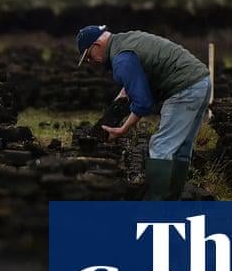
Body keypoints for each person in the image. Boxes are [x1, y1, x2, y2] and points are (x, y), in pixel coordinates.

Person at [75, 25, 212, 200]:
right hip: (201, 82)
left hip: (184, 89)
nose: (90, 61)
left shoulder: (121, 59)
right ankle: (173, 200)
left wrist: (123, 129)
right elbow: (129, 89)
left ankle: (155, 206)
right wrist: (109, 118)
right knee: (181, 148)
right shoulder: (125, 41)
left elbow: (143, 103)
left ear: (96, 45)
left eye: (88, 56)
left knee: (161, 146)